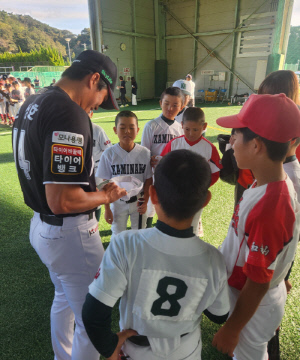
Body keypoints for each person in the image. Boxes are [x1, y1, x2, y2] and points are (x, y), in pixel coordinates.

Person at [13, 50, 126, 360]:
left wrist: (94, 184)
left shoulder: (32, 102)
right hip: (70, 233)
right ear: (93, 80)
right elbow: (63, 199)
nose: (96, 106)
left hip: (42, 226)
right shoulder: (68, 112)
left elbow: (49, 176)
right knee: (91, 319)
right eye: (101, 96)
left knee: (63, 298)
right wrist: (107, 196)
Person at [82, 149, 230, 360]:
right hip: (187, 352)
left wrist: (109, 348)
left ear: (152, 195)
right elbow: (219, 315)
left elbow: (93, 314)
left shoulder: (126, 244)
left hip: (137, 352)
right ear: (206, 200)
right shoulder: (214, 259)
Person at [212, 93, 300, 360]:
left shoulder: (271, 204)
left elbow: (259, 280)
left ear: (256, 146)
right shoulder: (264, 181)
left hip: (253, 304)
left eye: (235, 136)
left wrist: (232, 328)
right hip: (253, 297)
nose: (230, 143)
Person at [160, 107, 221, 236]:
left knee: (192, 224)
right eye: (187, 129)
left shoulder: (209, 148)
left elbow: (215, 173)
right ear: (181, 125)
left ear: (204, 126)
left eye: (195, 130)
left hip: (196, 196)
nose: (191, 133)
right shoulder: (173, 144)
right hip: (174, 193)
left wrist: (201, 187)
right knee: (173, 222)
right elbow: (163, 167)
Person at [97, 110, 152, 234]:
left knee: (138, 236)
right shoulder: (109, 154)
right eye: (122, 128)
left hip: (138, 200)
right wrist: (106, 208)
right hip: (117, 202)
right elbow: (105, 183)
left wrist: (146, 200)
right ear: (115, 130)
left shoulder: (145, 153)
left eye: (131, 128)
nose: (127, 131)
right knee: (117, 236)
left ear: (137, 130)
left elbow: (148, 179)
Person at [141, 86, 184, 228]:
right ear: (160, 103)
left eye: (175, 105)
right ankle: (146, 228)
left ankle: (163, 228)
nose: (170, 108)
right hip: (154, 173)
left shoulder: (180, 128)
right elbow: (144, 151)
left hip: (172, 174)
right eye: (166, 103)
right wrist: (150, 158)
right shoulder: (151, 126)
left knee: (167, 202)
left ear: (182, 107)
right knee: (150, 205)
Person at [89, 110, 112, 222]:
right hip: (81, 172)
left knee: (97, 200)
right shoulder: (74, 130)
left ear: (91, 114)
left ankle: (95, 225)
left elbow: (108, 150)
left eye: (87, 112)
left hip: (96, 171)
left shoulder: (97, 130)